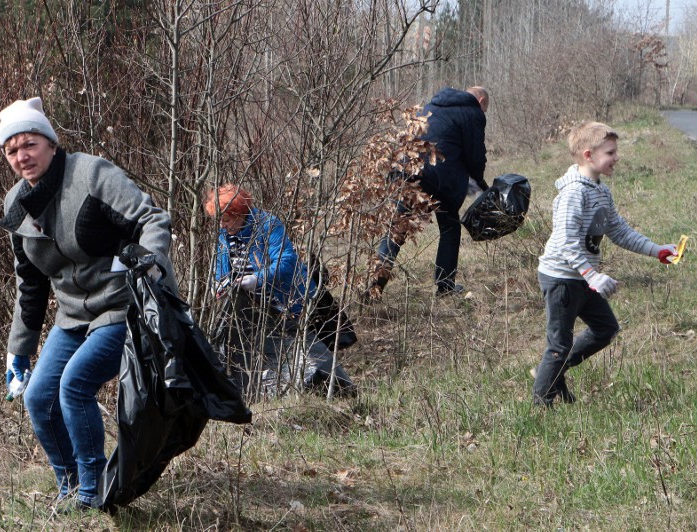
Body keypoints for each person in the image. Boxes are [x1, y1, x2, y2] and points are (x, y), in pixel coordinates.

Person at [0, 97, 176, 510]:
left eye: (30, 145)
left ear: (50, 143)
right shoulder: (15, 205)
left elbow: (152, 220)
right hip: (73, 314)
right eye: (12, 150)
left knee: (74, 385)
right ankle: (71, 486)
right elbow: (31, 283)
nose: (22, 156)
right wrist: (18, 350)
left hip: (122, 304)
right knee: (38, 396)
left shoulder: (91, 174)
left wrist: (150, 271)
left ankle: (94, 493)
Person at [532, 122, 677, 407]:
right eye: (610, 152)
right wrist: (592, 275)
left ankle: (549, 375)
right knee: (559, 346)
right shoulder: (574, 193)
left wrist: (657, 250)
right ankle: (541, 405)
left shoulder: (600, 190)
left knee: (605, 329)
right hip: (561, 278)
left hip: (584, 278)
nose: (616, 157)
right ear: (588, 155)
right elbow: (566, 241)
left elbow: (619, 231)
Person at [205, 184, 354, 399]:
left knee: (305, 345)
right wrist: (218, 284)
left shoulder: (267, 224)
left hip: (285, 301)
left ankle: (340, 389)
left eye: (226, 219)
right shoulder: (224, 235)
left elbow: (287, 260)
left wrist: (258, 278)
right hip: (252, 306)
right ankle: (267, 391)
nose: (222, 225)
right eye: (219, 220)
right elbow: (221, 268)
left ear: (239, 213)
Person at [370, 86, 490, 297]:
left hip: (406, 171)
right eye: (484, 109)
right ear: (480, 101)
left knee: (397, 229)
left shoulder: (432, 105)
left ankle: (374, 287)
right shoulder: (472, 112)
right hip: (439, 177)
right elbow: (475, 157)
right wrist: (482, 183)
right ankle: (445, 286)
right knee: (450, 228)